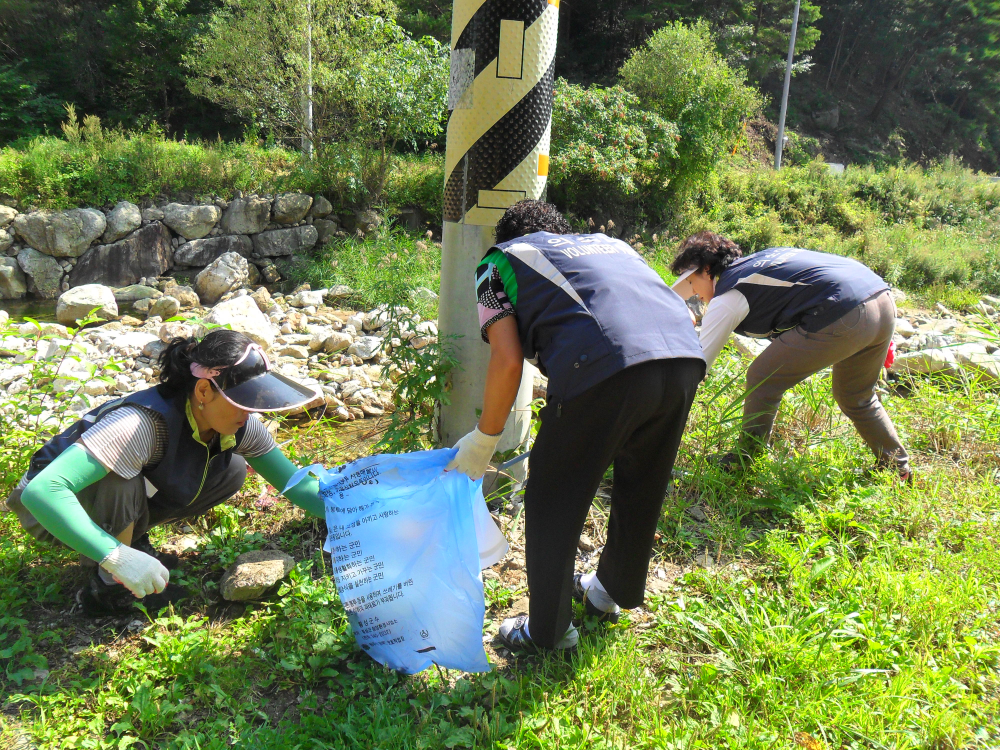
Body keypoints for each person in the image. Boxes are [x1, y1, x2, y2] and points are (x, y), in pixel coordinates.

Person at [446, 200, 705, 651]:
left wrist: (484, 440)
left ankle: (548, 633)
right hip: (683, 358)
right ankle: (607, 594)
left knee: (552, 499)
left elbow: (507, 361)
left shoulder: (498, 262)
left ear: (505, 237)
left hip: (606, 367)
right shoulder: (612, 245)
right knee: (642, 483)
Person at [5, 329, 329, 616]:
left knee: (231, 470)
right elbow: (43, 491)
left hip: (91, 500)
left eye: (255, 399)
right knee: (121, 476)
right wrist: (117, 558)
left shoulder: (240, 425)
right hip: (50, 510)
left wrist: (351, 508)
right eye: (242, 401)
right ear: (203, 391)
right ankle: (109, 588)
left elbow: (294, 483)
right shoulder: (139, 425)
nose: (252, 410)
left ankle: (131, 537)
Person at [670, 231, 911, 481]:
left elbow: (697, 365)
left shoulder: (730, 295)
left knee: (762, 378)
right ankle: (898, 468)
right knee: (856, 395)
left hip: (845, 310)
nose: (692, 293)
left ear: (707, 269)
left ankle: (746, 459)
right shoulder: (760, 262)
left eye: (690, 282)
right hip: (881, 299)